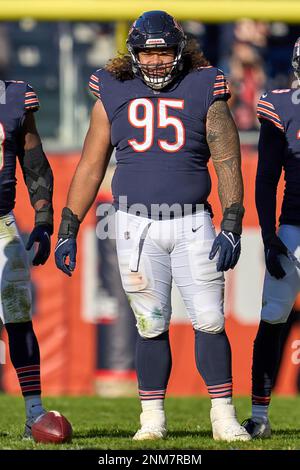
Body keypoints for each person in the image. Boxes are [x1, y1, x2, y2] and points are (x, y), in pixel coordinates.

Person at [55, 10, 250, 442]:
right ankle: (152, 420)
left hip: (193, 222)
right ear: (134, 53)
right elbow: (91, 163)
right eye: (148, 52)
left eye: (163, 52)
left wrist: (233, 219)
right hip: (134, 225)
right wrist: (69, 224)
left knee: (210, 320)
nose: (157, 61)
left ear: (179, 52)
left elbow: (227, 159)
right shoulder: (113, 88)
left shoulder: (205, 85)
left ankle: (223, 415)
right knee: (150, 324)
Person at [242, 37, 300, 438]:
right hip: (294, 226)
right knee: (273, 316)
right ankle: (259, 415)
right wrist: (266, 232)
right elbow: (266, 178)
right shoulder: (282, 106)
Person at [0, 78, 54, 437]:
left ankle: (34, 412)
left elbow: (33, 161)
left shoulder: (14, 96)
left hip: (1, 222)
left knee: (17, 314)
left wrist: (44, 217)